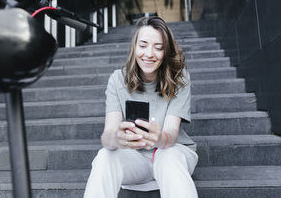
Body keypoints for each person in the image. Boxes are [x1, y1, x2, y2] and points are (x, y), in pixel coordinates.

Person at [83, 16, 198, 198]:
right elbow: (107, 136)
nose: (149, 54)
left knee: (166, 156)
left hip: (172, 153)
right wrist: (117, 138)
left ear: (166, 51)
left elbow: (171, 134)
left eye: (158, 47)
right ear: (134, 47)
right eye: (143, 45)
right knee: (105, 155)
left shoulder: (180, 77)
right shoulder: (117, 79)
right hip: (135, 160)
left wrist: (158, 137)